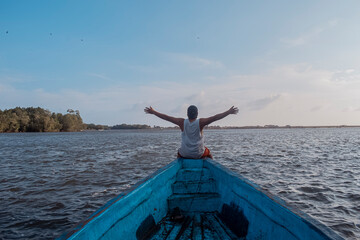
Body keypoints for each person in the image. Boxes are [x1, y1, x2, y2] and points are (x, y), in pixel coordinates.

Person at [144, 105, 239, 159]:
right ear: (197, 114)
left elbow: (166, 117)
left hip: (184, 154)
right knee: (208, 153)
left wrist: (154, 112)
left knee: (179, 153)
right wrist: (228, 112)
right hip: (198, 154)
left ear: (187, 114)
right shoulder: (200, 122)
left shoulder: (181, 122)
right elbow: (215, 117)